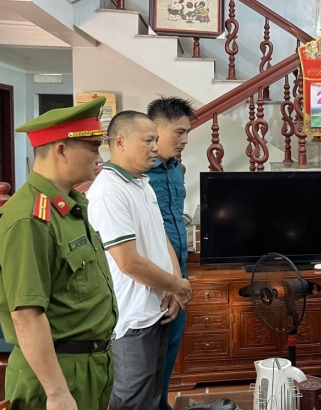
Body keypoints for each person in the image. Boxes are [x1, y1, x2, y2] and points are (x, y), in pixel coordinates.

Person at [0, 96, 117, 410]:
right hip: (57, 373)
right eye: (93, 149)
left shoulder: (68, 206)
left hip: (88, 366)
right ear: (61, 150)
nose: (99, 158)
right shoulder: (29, 219)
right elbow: (27, 316)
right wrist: (57, 392)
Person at [86, 111, 193, 410]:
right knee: (131, 399)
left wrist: (175, 284)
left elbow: (162, 237)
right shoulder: (108, 192)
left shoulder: (141, 182)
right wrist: (178, 285)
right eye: (148, 141)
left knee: (153, 396)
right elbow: (128, 262)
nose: (156, 147)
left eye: (156, 140)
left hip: (157, 307)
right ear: (120, 141)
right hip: (131, 317)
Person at [146, 96, 196, 410]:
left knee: (168, 354)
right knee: (145, 361)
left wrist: (180, 280)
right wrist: (170, 282)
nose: (185, 140)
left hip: (179, 272)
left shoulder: (177, 169)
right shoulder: (139, 174)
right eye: (179, 132)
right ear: (156, 128)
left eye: (187, 132)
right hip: (152, 278)